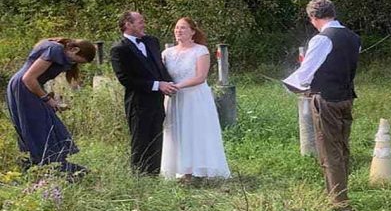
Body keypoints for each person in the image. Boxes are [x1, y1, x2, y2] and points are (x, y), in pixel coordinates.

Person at [283, 0, 361, 211]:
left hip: (326, 99)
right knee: (343, 147)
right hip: (346, 97)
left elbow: (305, 74)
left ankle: (339, 201)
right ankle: (340, 193)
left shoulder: (321, 39)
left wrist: (289, 84)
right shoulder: (354, 37)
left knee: (330, 151)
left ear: (313, 18)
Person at [6, 38, 95, 173]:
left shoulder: (61, 53)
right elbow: (28, 78)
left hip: (27, 88)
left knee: (44, 123)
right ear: (75, 49)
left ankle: (44, 166)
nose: (74, 63)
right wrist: (47, 99)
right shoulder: (55, 49)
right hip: (24, 88)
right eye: (76, 60)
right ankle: (45, 165)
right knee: (37, 127)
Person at [160, 17, 230, 181]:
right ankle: (180, 169)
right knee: (176, 132)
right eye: (177, 28)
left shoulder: (200, 51)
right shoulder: (167, 53)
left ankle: (198, 169)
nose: (179, 31)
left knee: (195, 131)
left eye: (183, 28)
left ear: (192, 31)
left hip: (194, 97)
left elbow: (200, 76)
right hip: (174, 97)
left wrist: (179, 86)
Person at [110, 11, 177, 175]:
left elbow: (159, 67)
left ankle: (154, 173)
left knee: (156, 135)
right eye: (140, 21)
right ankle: (139, 175)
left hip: (158, 99)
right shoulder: (119, 49)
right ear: (128, 24)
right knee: (140, 138)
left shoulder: (152, 41)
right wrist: (156, 85)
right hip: (138, 101)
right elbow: (125, 79)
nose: (144, 24)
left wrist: (168, 83)